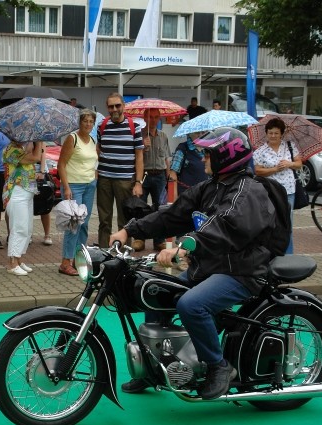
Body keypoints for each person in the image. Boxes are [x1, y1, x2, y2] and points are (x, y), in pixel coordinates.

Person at [111, 127, 276, 400]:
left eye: (208, 154)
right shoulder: (210, 187)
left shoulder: (248, 192)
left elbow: (223, 225)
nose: (203, 159)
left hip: (241, 271)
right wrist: (130, 230)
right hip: (209, 268)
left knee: (191, 304)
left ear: (226, 157)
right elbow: (172, 215)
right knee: (156, 292)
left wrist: (184, 244)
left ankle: (219, 367)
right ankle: (155, 368)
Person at [96, 92, 145, 248]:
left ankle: (122, 255)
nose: (114, 109)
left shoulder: (134, 127)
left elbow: (139, 157)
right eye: (111, 106)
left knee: (124, 220)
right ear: (107, 108)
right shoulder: (101, 126)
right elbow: (99, 149)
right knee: (104, 220)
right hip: (104, 179)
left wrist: (138, 182)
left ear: (123, 106)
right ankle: (104, 253)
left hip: (125, 180)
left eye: (117, 105)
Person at [57, 109, 98, 276]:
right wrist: (66, 187)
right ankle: (65, 262)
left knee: (85, 224)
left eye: (90, 121)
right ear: (79, 122)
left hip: (89, 185)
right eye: (85, 121)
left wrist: (93, 178)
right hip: (74, 185)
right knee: (73, 224)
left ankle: (79, 259)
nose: (88, 124)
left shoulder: (92, 139)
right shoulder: (72, 138)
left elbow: (94, 162)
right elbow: (61, 164)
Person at [253, 117, 302, 254]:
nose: (273, 136)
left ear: (281, 133)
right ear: (266, 133)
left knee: (287, 224)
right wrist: (275, 169)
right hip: (270, 192)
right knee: (270, 224)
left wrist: (289, 164)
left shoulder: (290, 146)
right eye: (270, 133)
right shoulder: (260, 151)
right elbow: (258, 171)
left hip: (288, 191)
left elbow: (299, 164)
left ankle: (288, 255)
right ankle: (271, 253)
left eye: (276, 133)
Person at [3, 139, 45, 276]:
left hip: (27, 193)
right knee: (19, 227)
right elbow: (35, 157)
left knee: (27, 229)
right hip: (15, 193)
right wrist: (39, 142)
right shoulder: (11, 150)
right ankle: (12, 263)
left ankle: (19, 259)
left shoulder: (21, 149)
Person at [133, 108, 171, 252]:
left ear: (159, 118)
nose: (153, 120)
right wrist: (143, 147)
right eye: (150, 117)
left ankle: (159, 240)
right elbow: (135, 157)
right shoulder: (139, 135)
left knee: (160, 208)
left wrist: (169, 175)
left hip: (160, 175)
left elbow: (166, 157)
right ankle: (139, 238)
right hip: (144, 175)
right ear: (144, 117)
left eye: (156, 117)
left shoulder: (163, 136)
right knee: (140, 208)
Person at [170, 132, 208, 198]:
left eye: (203, 132)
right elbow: (172, 175)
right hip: (187, 196)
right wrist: (174, 198)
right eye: (197, 133)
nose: (200, 135)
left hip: (204, 194)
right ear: (189, 134)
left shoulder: (206, 148)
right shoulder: (182, 148)